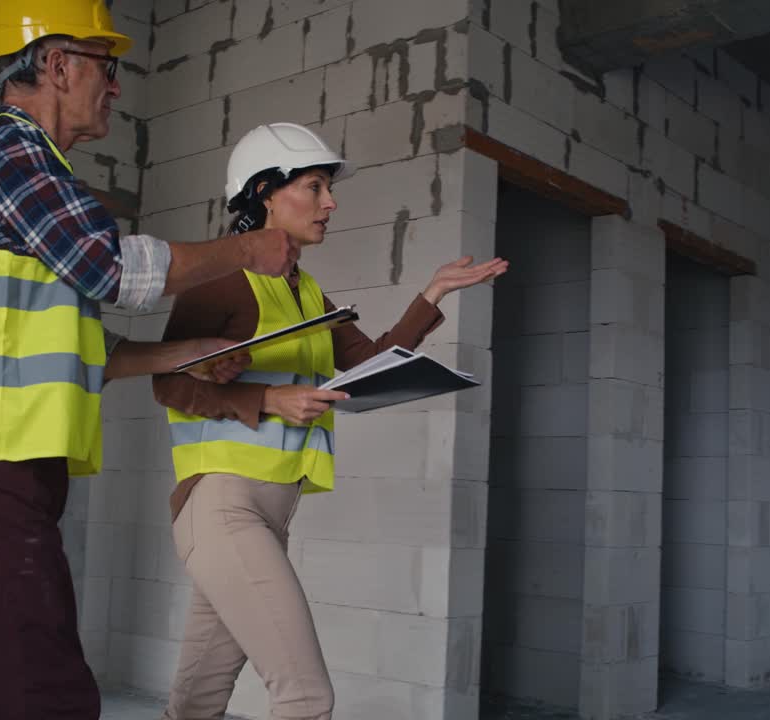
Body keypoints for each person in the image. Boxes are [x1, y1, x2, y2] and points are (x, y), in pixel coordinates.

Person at [0, 2, 300, 719]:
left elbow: (70, 349)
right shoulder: (10, 149)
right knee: (48, 687)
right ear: (58, 63)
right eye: (108, 65)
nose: (116, 86)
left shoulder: (28, 172)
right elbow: (107, 266)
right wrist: (247, 251)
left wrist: (185, 353)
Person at [151, 122, 509, 719]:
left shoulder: (308, 294)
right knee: (306, 697)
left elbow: (369, 364)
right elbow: (168, 381)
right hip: (222, 507)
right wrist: (270, 401)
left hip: (270, 513)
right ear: (266, 193)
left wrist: (434, 293)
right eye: (315, 187)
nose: (330, 203)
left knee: (196, 702)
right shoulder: (219, 279)